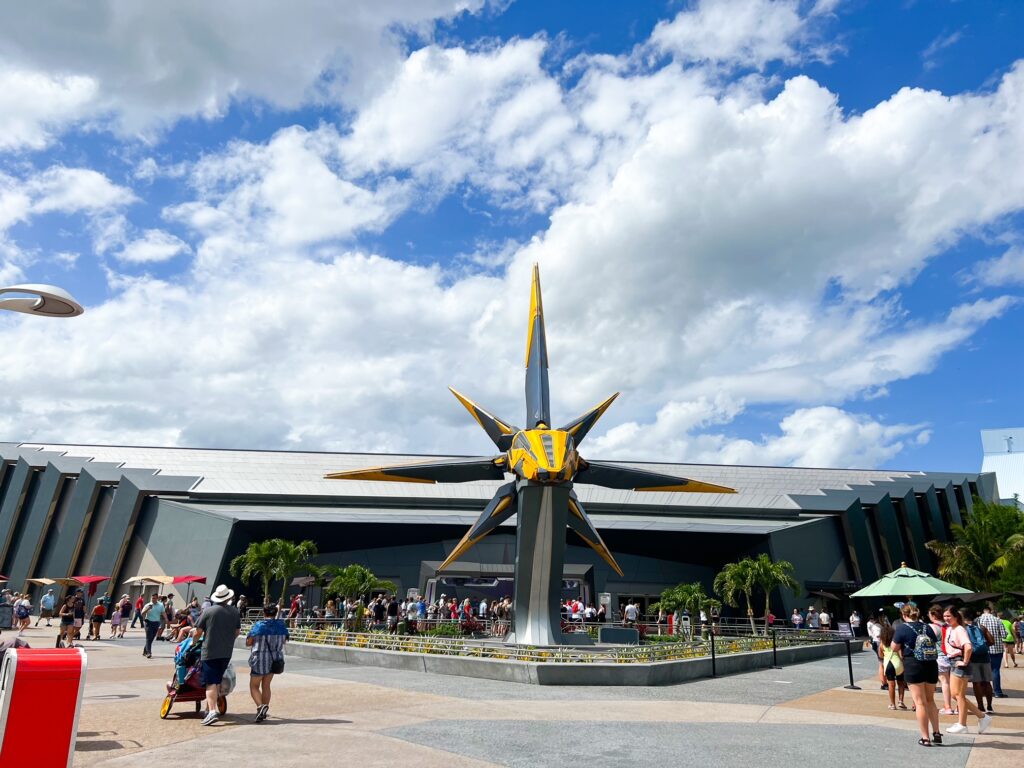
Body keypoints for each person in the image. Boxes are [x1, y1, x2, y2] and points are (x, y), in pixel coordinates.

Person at [892, 603, 941, 746]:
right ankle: (937, 732)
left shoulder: (902, 628)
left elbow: (894, 647)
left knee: (920, 702)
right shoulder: (928, 627)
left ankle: (925, 738)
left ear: (904, 615)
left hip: (913, 665)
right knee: (930, 700)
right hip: (931, 665)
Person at [193, 584, 241, 726]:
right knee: (218, 679)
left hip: (210, 651)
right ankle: (209, 708)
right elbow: (237, 631)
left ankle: (212, 711)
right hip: (226, 652)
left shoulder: (208, 611)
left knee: (210, 683)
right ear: (228, 598)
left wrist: (193, 642)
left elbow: (198, 631)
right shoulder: (234, 612)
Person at [942, 605, 992, 735]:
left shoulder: (959, 629)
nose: (946, 618)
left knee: (958, 695)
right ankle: (981, 717)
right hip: (954, 662)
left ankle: (963, 724)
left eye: (949, 616)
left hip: (960, 663)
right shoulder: (951, 629)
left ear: (956, 617)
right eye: (945, 616)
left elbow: (968, 647)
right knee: (956, 695)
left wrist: (964, 661)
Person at [246, 603, 289, 722]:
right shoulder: (281, 625)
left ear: (264, 613)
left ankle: (260, 707)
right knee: (266, 685)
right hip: (275, 659)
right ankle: (263, 712)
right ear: (275, 613)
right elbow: (285, 641)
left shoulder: (259, 625)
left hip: (259, 659)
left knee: (254, 686)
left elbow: (249, 642)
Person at [962, 606, 995, 713]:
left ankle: (980, 706)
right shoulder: (981, 627)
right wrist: (982, 646)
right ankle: (990, 706)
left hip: (973, 658)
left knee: (977, 683)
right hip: (985, 657)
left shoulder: (963, 628)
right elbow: (991, 641)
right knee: (987, 682)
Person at [928, 604, 955, 715]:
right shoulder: (949, 625)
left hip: (939, 656)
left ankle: (947, 706)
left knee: (944, 682)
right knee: (952, 682)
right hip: (951, 655)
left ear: (933, 615)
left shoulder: (932, 627)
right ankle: (957, 706)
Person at [977, 605, 1006, 700]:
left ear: (983, 611)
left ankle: (984, 691)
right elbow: (1004, 634)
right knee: (995, 670)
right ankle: (997, 692)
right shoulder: (998, 620)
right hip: (997, 648)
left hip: (983, 649)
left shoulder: (978, 620)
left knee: (982, 671)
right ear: (990, 611)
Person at [879, 624, 908, 710]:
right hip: (898, 663)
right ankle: (901, 701)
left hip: (888, 664)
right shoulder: (896, 642)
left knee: (891, 685)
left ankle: (892, 704)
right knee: (901, 683)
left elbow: (880, 655)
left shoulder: (882, 644)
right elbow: (901, 654)